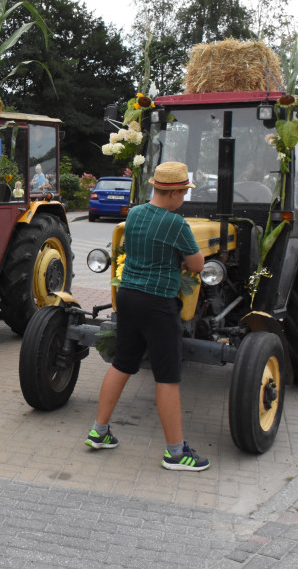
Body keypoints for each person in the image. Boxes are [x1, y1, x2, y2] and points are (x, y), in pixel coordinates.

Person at [84, 161, 211, 472]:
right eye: (183, 193)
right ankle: (176, 453)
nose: (184, 199)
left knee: (123, 363)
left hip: (128, 296)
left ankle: (98, 431)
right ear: (174, 193)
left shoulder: (136, 214)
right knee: (167, 376)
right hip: (158, 303)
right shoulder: (176, 224)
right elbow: (196, 265)